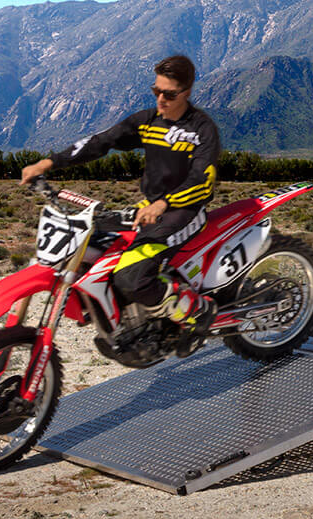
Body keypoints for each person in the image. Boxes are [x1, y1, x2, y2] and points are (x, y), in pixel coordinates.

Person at [20, 54, 221, 328]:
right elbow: (101, 141)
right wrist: (49, 162)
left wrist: (163, 204)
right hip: (148, 207)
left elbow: (202, 179)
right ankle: (123, 318)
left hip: (185, 212)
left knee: (130, 278)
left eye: (169, 95)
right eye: (156, 91)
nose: (161, 99)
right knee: (87, 244)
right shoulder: (148, 121)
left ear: (185, 93)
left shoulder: (201, 129)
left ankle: (196, 309)